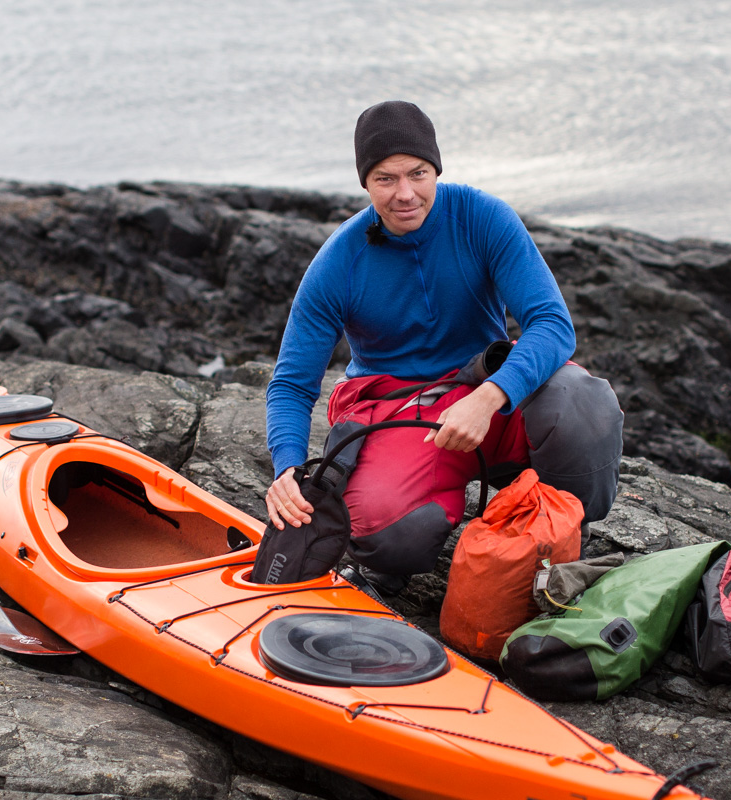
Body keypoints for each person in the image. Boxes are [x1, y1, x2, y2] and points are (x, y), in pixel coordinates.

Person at [264, 100, 623, 591]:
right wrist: (285, 467)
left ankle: (561, 532)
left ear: (436, 169)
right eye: (386, 179)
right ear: (365, 183)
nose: (405, 193)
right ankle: (418, 528)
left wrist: (490, 395)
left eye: (418, 173)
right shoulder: (338, 263)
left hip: (490, 397)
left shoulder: (482, 217)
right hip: (408, 413)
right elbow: (291, 384)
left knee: (583, 402)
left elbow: (553, 325)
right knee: (386, 535)